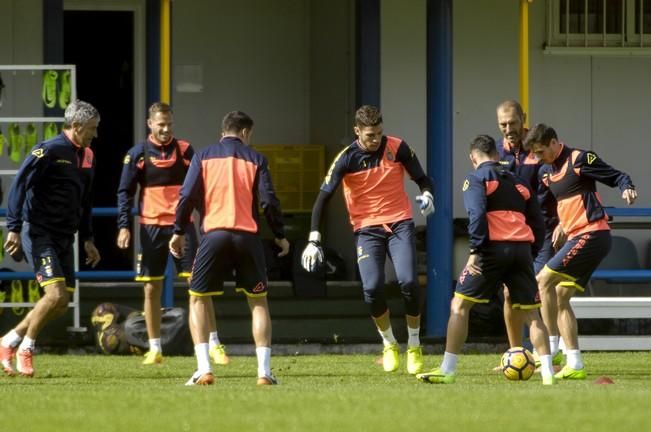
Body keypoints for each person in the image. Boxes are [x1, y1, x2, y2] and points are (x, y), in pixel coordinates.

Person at [301, 105, 434, 375]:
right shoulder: (346, 158)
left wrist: (428, 194)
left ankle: (414, 345)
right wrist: (314, 237)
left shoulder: (397, 147)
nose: (376, 140)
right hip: (366, 230)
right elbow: (322, 198)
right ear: (357, 131)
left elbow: (422, 178)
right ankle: (388, 344)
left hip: (399, 224)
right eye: (370, 135)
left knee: (408, 281)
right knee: (372, 288)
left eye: (379, 134)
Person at [416, 134, 556, 385]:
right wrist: (530, 252)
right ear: (495, 153)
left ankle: (447, 369)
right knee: (533, 315)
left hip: (490, 253)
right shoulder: (520, 182)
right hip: (521, 252)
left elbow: (477, 215)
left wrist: (475, 252)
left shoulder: (476, 179)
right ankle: (547, 373)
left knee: (459, 306)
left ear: (473, 158)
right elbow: (538, 222)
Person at [169, 110, 289, 386]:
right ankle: (264, 372)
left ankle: (204, 369)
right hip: (248, 237)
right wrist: (280, 234)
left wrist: (178, 231)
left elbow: (186, 195)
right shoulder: (257, 158)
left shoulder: (203, 156)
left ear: (223, 131)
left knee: (197, 298)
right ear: (245, 133)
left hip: (214, 235)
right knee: (258, 302)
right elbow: (269, 201)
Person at [116, 102, 229, 366]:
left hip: (183, 226)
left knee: (199, 287)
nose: (166, 129)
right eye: (160, 125)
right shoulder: (137, 154)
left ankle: (214, 344)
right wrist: (123, 225)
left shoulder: (185, 150)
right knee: (150, 287)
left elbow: (200, 187)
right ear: (150, 124)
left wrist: (208, 220)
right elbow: (124, 192)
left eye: (169, 124)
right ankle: (154, 348)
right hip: (151, 227)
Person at [523, 123, 637, 380]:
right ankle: (574, 362)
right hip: (578, 235)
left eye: (542, 151)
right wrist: (563, 223)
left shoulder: (580, 159)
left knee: (542, 280)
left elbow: (616, 176)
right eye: (536, 154)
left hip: (593, 234)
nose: (540, 157)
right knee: (561, 296)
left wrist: (626, 187)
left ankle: (550, 352)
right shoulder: (545, 172)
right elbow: (568, 200)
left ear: (554, 142)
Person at [0, 100, 101, 377]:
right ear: (77, 126)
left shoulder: (88, 155)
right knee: (53, 294)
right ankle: (26, 349)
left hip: (65, 237)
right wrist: (14, 227)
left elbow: (86, 200)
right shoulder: (48, 150)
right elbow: (20, 185)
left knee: (61, 302)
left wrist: (89, 238)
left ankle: (8, 341)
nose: (95, 134)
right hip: (39, 232)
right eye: (92, 129)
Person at [495, 100, 563, 366]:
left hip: (544, 232)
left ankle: (551, 355)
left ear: (523, 118)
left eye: (513, 122)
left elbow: (562, 184)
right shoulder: (497, 152)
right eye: (503, 124)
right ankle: (515, 355)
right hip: (512, 234)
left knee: (540, 289)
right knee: (510, 293)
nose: (508, 129)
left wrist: (562, 222)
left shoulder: (539, 147)